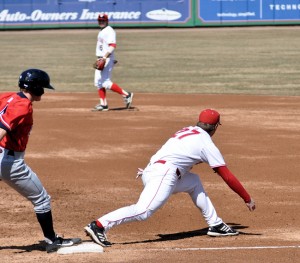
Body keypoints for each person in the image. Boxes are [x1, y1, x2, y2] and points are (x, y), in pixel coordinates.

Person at [84, 109, 256, 247]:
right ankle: (99, 225)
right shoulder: (206, 143)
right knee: (143, 211)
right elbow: (226, 175)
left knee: (194, 182)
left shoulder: (188, 130)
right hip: (164, 175)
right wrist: (246, 198)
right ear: (216, 127)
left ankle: (216, 224)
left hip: (154, 169)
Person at [0, 69, 81, 253]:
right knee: (42, 199)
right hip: (10, 163)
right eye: (42, 87)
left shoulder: (8, 97)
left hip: (2, 155)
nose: (44, 91)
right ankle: (52, 240)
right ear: (35, 87)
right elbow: (2, 128)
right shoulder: (23, 106)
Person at [93, 13, 134, 111]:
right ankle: (103, 105)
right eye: (100, 20)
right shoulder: (102, 31)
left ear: (107, 21)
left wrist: (105, 58)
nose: (101, 22)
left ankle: (126, 94)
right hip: (102, 58)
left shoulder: (109, 31)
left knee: (105, 82)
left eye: (103, 20)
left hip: (105, 59)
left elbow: (112, 45)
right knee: (98, 82)